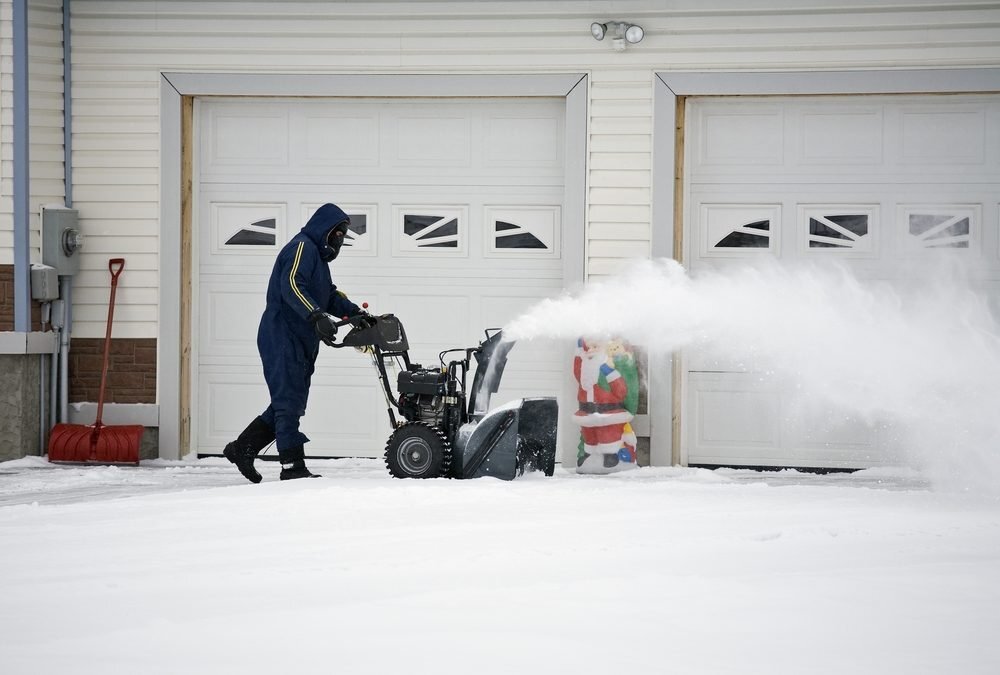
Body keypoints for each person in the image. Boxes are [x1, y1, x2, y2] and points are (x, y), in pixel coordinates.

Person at [224, 203, 363, 482]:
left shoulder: (319, 261)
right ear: (325, 230)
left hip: (302, 338)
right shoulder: (302, 248)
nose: (339, 241)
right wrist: (315, 315)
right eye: (338, 234)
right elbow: (291, 284)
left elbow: (329, 295)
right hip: (282, 335)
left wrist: (355, 313)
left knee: (290, 402)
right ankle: (292, 466)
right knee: (288, 402)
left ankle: (242, 448)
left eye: (343, 236)